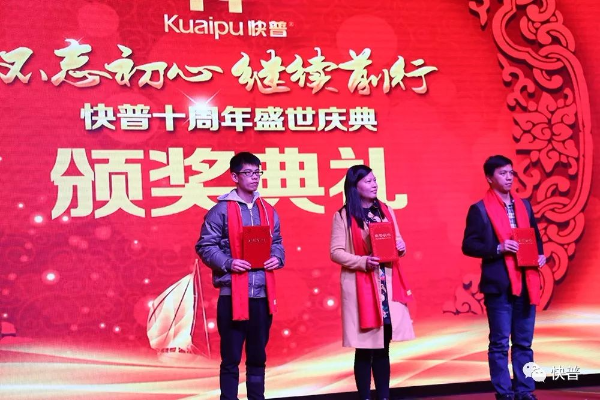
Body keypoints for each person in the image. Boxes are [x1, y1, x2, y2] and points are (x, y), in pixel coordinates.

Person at [196, 152, 285, 400]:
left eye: (257, 172)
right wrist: (228, 263)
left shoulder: (268, 210)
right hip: (233, 295)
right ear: (234, 177)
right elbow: (205, 246)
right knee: (231, 357)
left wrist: (277, 257)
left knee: (257, 357)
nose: (254, 177)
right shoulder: (220, 211)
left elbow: (277, 242)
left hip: (262, 295)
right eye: (248, 173)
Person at [462, 155, 546, 400]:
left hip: (526, 281)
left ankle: (524, 389)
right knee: (499, 343)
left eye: (511, 173)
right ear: (489, 178)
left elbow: (535, 237)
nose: (509, 178)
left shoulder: (524, 206)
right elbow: (468, 245)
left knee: (524, 343)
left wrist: (540, 254)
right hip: (499, 285)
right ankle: (504, 392)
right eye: (502, 173)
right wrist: (498, 248)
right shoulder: (479, 209)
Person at [329, 165, 415, 400]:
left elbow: (397, 241)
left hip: (386, 286)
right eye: (368, 181)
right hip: (361, 287)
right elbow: (335, 252)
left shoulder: (386, 211)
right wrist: (362, 261)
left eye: (375, 180)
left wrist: (401, 246)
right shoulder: (343, 216)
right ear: (354, 186)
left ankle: (384, 396)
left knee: (383, 347)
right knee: (365, 348)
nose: (374, 185)